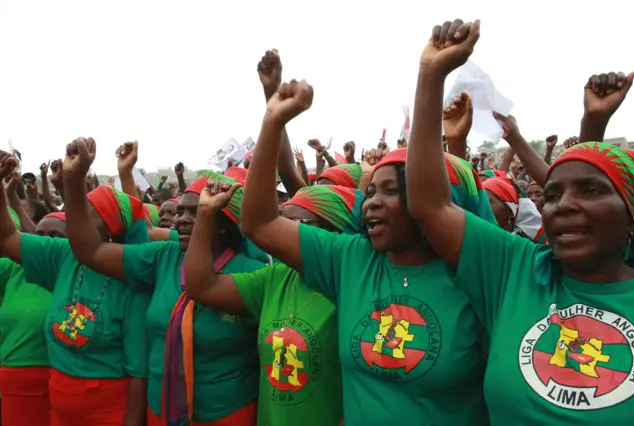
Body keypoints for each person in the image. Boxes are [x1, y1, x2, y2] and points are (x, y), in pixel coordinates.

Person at [405, 17, 634, 424]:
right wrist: (431, 75)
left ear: (631, 214)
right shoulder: (516, 272)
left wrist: (592, 129)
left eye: (590, 192)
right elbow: (430, 204)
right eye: (551, 195)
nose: (562, 206)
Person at [239, 79, 494, 424]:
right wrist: (272, 120)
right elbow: (260, 224)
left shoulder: (484, 276)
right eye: (370, 191)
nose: (370, 202)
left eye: (390, 191)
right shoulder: (351, 260)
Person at [61, 138, 263, 426]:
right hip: (160, 410)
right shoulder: (163, 257)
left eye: (196, 212)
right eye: (180, 211)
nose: (181, 220)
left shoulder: (252, 273)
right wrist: (73, 179)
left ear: (222, 221)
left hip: (226, 413)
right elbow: (89, 251)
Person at [185, 184, 363, 426]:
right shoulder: (276, 277)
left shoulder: (352, 286)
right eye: (281, 221)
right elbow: (201, 286)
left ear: (332, 231)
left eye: (296, 224)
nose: (279, 234)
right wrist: (205, 213)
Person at [0, 150, 149, 426]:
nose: (74, 219)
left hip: (107, 411)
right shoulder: (63, 255)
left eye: (86, 213)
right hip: (59, 406)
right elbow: (7, 237)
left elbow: (138, 375)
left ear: (111, 231)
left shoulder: (131, 282)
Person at [0, 209, 52, 426]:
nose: (44, 243)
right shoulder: (13, 268)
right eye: (38, 235)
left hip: (50, 383)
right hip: (9, 380)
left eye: (56, 237)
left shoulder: (70, 274)